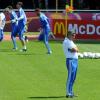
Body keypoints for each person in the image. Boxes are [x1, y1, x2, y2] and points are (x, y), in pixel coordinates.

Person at [63, 31, 79, 98]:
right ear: (69, 35)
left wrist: (76, 49)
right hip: (70, 60)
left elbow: (76, 49)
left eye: (74, 35)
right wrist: (76, 49)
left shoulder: (70, 41)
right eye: (73, 35)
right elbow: (73, 50)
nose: (74, 36)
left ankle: (71, 92)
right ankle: (67, 93)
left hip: (74, 60)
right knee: (70, 77)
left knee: (73, 77)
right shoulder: (67, 42)